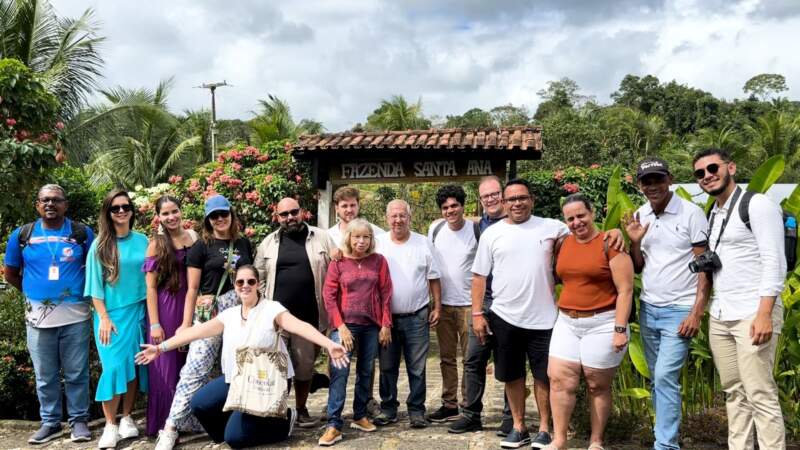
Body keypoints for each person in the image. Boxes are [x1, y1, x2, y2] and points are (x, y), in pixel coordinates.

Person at [135, 265, 350, 449]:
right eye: (240, 282)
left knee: (235, 439)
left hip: (266, 381)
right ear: (235, 286)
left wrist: (329, 344)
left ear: (258, 284)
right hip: (236, 380)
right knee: (199, 403)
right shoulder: (229, 315)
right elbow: (195, 332)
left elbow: (299, 326)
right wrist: (160, 348)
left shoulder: (272, 309)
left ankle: (283, 423)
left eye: (250, 281)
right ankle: (236, 425)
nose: (245, 285)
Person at [693, 148, 787, 450]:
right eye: (700, 173)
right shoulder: (715, 212)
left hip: (753, 312)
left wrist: (764, 314)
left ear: (730, 167)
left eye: (712, 168)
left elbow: (775, 261)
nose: (707, 175)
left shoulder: (756, 205)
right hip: (722, 313)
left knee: (760, 393)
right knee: (734, 392)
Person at [623, 158, 710, 450]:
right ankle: (666, 438)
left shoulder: (691, 213)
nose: (652, 186)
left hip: (679, 310)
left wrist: (696, 312)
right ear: (640, 185)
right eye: (646, 181)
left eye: (658, 179)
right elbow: (638, 267)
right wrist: (635, 242)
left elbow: (704, 266)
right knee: (658, 380)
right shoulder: (641, 213)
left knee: (664, 377)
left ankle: (666, 445)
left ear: (669, 179)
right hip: (649, 309)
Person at [471, 178, 565, 449]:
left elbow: (584, 232)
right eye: (511, 199)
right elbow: (478, 277)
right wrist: (478, 314)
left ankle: (545, 429)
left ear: (531, 199)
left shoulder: (552, 227)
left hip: (545, 318)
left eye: (522, 197)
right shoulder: (491, 233)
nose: (517, 203)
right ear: (503, 203)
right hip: (504, 317)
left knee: (543, 376)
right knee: (512, 375)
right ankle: (519, 426)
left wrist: (613, 235)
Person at [155, 195, 253, 450]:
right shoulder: (202, 246)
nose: (220, 219)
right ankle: (171, 426)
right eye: (214, 216)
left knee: (230, 369)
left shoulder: (243, 243)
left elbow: (249, 281)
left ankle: (228, 420)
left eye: (224, 214)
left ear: (231, 214)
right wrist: (186, 324)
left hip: (240, 312)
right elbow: (193, 288)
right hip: (210, 312)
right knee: (195, 368)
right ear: (208, 220)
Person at [3, 184, 95, 444]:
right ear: (37, 205)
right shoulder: (22, 235)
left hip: (76, 318)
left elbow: (95, 270)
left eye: (56, 200)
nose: (50, 204)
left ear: (65, 204)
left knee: (77, 372)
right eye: (45, 200)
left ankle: (79, 421)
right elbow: (10, 273)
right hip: (37, 320)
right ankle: (50, 423)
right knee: (45, 375)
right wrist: (36, 296)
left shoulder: (81, 233)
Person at [547, 194, 633, 450]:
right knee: (560, 381)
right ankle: (560, 439)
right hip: (567, 322)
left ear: (592, 213)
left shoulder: (611, 243)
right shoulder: (562, 244)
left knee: (597, 384)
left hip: (604, 322)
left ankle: (596, 441)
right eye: (570, 218)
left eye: (581, 215)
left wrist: (619, 329)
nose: (576, 222)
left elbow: (626, 290)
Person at [254, 197, 337, 428]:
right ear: (277, 217)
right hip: (276, 320)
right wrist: (264, 308)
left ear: (302, 212)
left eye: (294, 212)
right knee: (276, 366)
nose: (290, 217)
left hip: (308, 318)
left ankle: (300, 409)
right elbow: (258, 276)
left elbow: (336, 272)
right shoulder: (268, 243)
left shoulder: (321, 237)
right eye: (284, 214)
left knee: (303, 367)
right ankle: (277, 410)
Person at [318, 218, 393, 446]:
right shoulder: (338, 262)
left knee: (366, 372)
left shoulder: (378, 261)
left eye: (366, 237)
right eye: (356, 236)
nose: (361, 241)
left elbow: (386, 293)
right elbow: (328, 296)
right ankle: (333, 424)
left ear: (371, 239)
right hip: (345, 327)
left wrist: (385, 324)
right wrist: (340, 327)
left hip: (371, 326)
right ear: (349, 238)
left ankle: (360, 415)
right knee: (340, 374)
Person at [84, 189, 149, 449]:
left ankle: (127, 418)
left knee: (133, 365)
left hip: (138, 312)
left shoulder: (144, 240)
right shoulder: (100, 245)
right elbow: (94, 288)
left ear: (132, 210)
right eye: (115, 208)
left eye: (126, 206)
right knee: (112, 368)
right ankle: (110, 425)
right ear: (108, 213)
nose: (121, 211)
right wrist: (104, 317)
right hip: (110, 316)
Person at [449, 175, 512, 435]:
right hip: (483, 299)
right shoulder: (480, 224)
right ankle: (471, 414)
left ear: (503, 195)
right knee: (474, 358)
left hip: (510, 299)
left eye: (495, 194)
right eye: (485, 196)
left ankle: (511, 417)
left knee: (509, 360)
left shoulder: (518, 220)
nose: (491, 199)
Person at [373, 199, 442, 429]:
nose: (398, 220)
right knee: (387, 366)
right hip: (386, 319)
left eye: (402, 215)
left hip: (417, 316)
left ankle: (416, 410)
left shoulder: (423, 243)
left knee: (417, 367)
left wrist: (437, 307)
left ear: (409, 217)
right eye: (393, 216)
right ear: (387, 218)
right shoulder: (379, 243)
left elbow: (434, 278)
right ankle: (388, 408)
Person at [142, 196, 199, 437]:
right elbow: (151, 288)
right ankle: (164, 424)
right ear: (159, 217)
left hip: (190, 305)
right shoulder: (156, 243)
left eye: (174, 211)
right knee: (164, 367)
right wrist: (155, 323)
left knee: (187, 366)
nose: (171, 217)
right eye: (165, 213)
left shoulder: (193, 237)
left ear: (181, 211)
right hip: (165, 309)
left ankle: (185, 420)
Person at [327, 185, 385, 416]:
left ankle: (364, 405)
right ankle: (334, 413)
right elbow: (329, 288)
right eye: (344, 206)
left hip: (369, 316)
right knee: (339, 366)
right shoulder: (327, 235)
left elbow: (380, 276)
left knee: (366, 367)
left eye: (353, 205)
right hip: (340, 313)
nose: (349, 209)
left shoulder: (376, 232)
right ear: (336, 208)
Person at [426, 184, 476, 423]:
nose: (450, 210)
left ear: (463, 206)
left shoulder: (476, 230)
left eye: (454, 205)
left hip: (469, 305)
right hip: (443, 304)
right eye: (445, 207)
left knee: (470, 359)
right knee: (446, 357)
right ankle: (449, 404)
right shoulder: (435, 229)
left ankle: (469, 406)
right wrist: (433, 304)